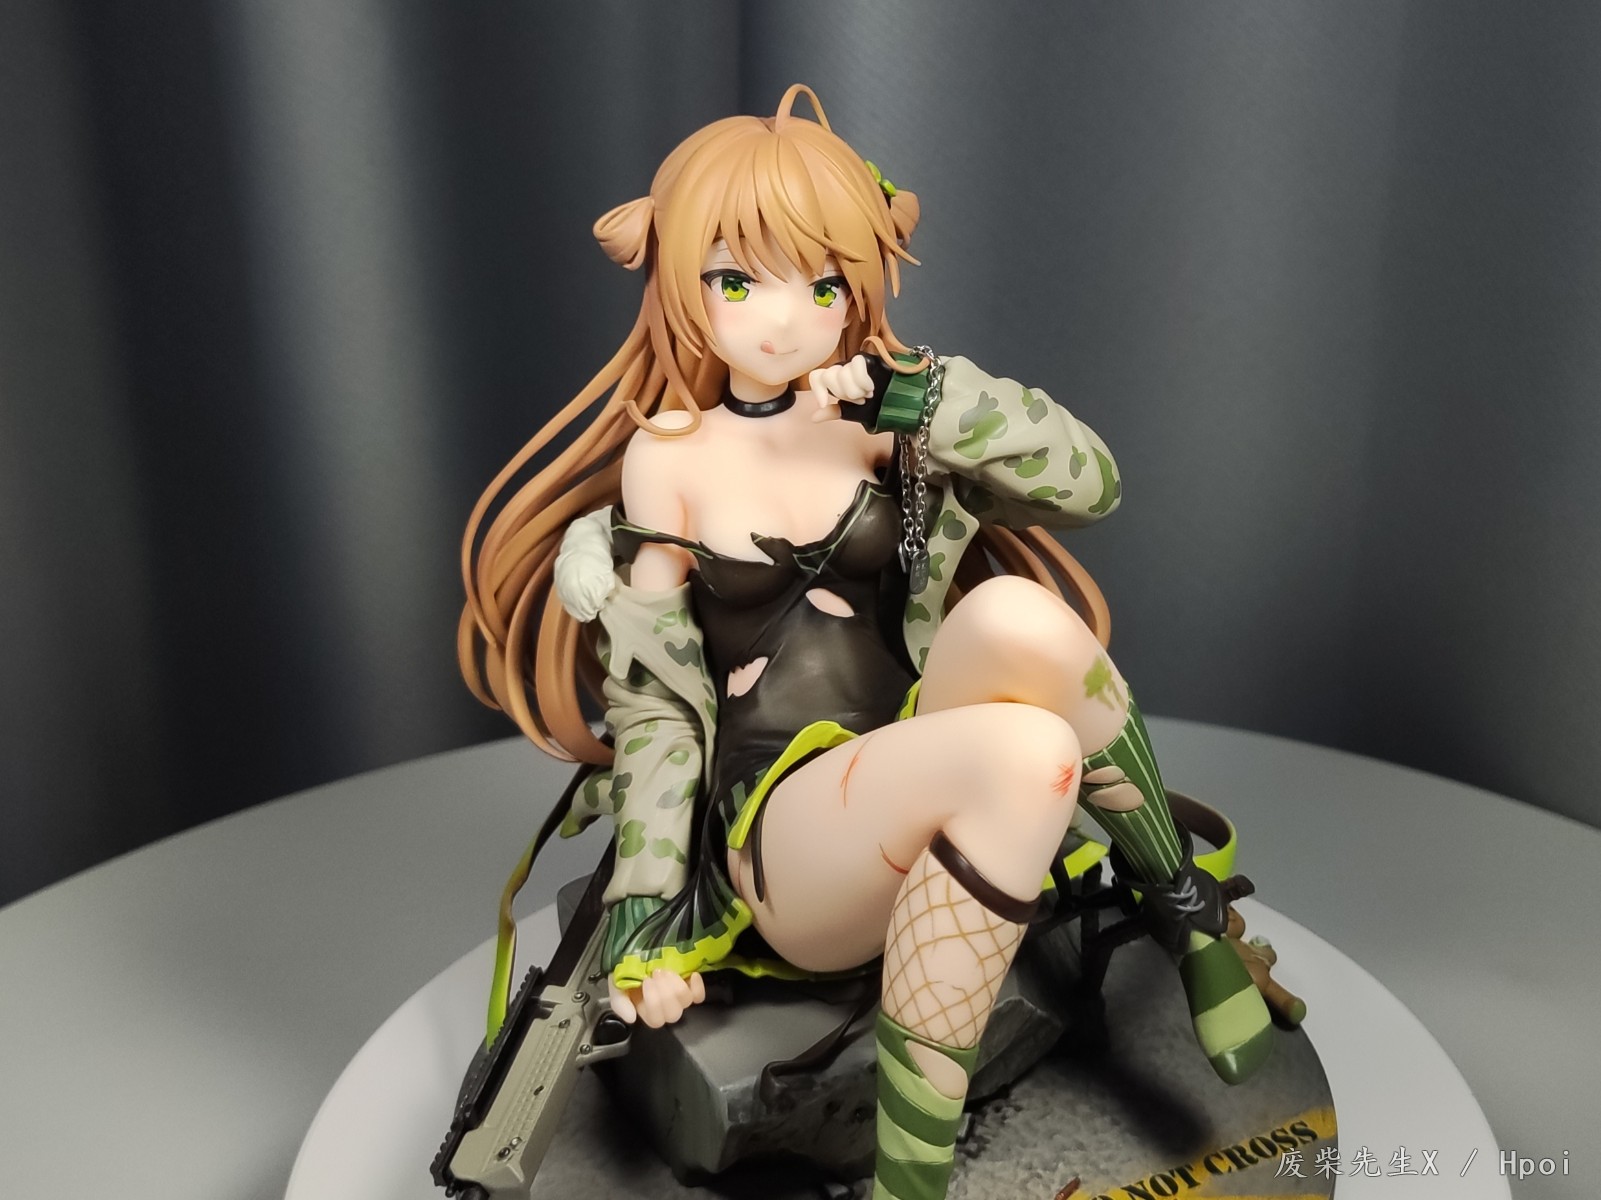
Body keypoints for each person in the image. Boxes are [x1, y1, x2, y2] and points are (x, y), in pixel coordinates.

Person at [460, 83, 1274, 1200]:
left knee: (1019, 618)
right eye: (736, 281)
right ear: (676, 277)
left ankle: (1186, 917)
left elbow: (1093, 483)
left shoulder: (885, 418)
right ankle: (910, 1179)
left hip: (911, 746)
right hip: (787, 840)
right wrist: (644, 916)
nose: (783, 321)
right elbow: (655, 703)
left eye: (823, 284)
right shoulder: (671, 457)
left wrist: (926, 403)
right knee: (1028, 754)